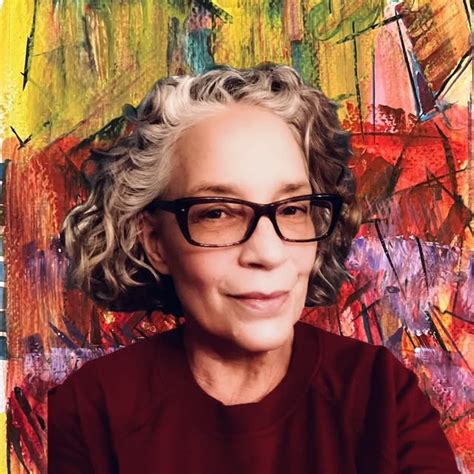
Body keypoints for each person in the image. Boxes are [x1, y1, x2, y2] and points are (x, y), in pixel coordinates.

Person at [48, 64, 458, 473]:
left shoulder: (381, 395)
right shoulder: (94, 408)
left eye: (293, 209)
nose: (268, 252)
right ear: (155, 241)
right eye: (217, 213)